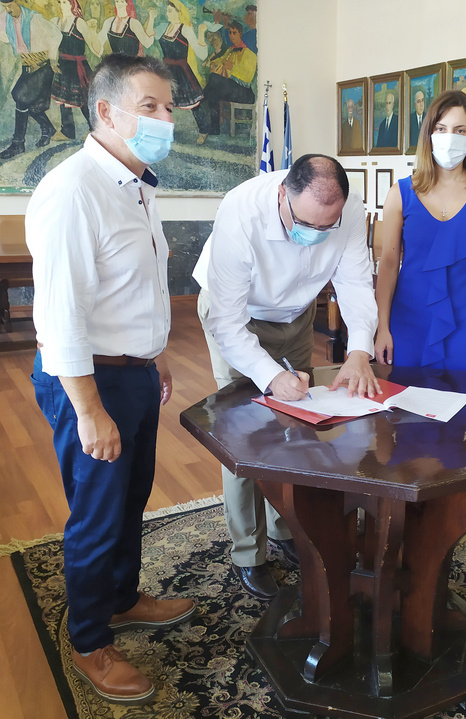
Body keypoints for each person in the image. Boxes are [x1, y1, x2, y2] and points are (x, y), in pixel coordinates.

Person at [26, 54, 196, 705]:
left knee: (130, 498)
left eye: (168, 107)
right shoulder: (74, 190)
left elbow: (134, 288)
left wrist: (154, 355)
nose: (164, 118)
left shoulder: (137, 185)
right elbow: (60, 316)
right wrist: (90, 410)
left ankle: (122, 597)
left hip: (133, 373)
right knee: (97, 515)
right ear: (106, 111)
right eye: (149, 106)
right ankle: (90, 640)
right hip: (89, 380)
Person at [192, 154, 379, 601]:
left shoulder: (350, 211)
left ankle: (285, 528)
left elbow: (356, 284)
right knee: (242, 432)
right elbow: (228, 324)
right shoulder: (241, 210)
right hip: (239, 316)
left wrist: (359, 351)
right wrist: (269, 375)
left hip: (296, 314)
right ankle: (248, 553)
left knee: (297, 424)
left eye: (327, 227)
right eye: (306, 223)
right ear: (282, 195)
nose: (315, 234)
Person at [374, 90, 466, 373]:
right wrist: (382, 326)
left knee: (465, 396)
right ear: (429, 133)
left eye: (460, 130)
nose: (450, 137)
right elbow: (388, 264)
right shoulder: (400, 194)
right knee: (406, 397)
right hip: (409, 318)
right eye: (441, 128)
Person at [0, 0, 61, 159]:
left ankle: (18, 144)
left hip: (43, 67)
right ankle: (48, 128)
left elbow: (56, 35)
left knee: (21, 96)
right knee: (27, 102)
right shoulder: (5, 19)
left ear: (18, 2)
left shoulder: (34, 18)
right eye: (4, 7)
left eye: (10, 6)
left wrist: (53, 59)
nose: (8, 10)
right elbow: (4, 37)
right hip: (26, 66)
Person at [195, 20, 256, 143]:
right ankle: (215, 128)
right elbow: (219, 61)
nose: (231, 35)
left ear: (240, 34)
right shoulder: (230, 51)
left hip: (244, 92)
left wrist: (232, 68)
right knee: (214, 93)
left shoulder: (249, 54)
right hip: (230, 89)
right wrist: (214, 64)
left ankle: (200, 98)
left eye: (234, 33)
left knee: (214, 78)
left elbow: (247, 77)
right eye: (230, 33)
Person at [50, 0, 102, 142]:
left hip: (78, 67)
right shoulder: (57, 22)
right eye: (60, 2)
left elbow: (95, 48)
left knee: (83, 100)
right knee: (63, 100)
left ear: (73, 5)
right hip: (63, 65)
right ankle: (67, 131)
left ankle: (95, 129)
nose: (62, 5)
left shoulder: (79, 23)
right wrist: (53, 60)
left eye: (65, 2)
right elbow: (53, 43)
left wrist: (93, 31)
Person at [159, 0, 207, 132]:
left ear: (178, 12)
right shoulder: (166, 27)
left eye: (170, 11)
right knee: (164, 103)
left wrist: (201, 34)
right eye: (167, 11)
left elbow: (201, 53)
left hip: (181, 71)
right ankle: (165, 129)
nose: (167, 14)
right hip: (166, 71)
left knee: (193, 103)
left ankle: (203, 130)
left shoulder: (185, 29)